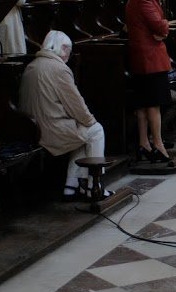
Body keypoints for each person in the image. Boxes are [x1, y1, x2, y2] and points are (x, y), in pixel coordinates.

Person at [18, 30, 108, 200]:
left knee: (81, 136)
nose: (69, 55)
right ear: (63, 48)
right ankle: (94, 186)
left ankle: (71, 186)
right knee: (96, 131)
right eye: (69, 50)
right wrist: (90, 121)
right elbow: (76, 104)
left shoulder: (32, 65)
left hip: (32, 128)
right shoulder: (59, 68)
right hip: (50, 129)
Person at [125, 0, 173, 165]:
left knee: (144, 105)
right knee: (153, 105)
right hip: (150, 58)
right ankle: (159, 145)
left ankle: (144, 143)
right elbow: (160, 27)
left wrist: (160, 30)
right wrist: (163, 28)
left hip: (142, 58)